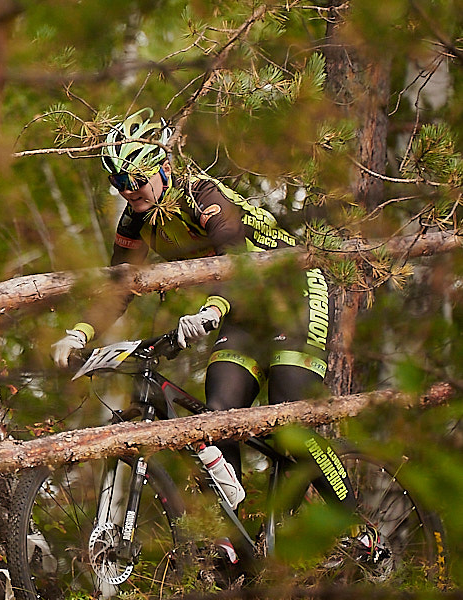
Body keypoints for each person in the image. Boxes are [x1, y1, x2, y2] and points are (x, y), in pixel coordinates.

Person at [51, 108, 353, 511]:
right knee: (215, 419)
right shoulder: (134, 222)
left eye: (137, 179)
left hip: (292, 295)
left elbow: (234, 259)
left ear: (162, 168)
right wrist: (79, 332)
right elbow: (120, 286)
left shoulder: (204, 197)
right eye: (118, 182)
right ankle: (240, 534)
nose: (129, 190)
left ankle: (357, 525)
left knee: (289, 424)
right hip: (239, 309)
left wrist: (212, 309)